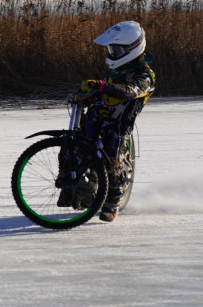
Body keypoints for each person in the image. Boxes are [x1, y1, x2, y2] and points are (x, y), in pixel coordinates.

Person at [63, 20, 155, 222]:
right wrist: (88, 96)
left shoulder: (145, 75)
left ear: (132, 48)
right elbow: (103, 94)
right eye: (111, 49)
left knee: (112, 160)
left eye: (117, 49)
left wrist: (102, 86)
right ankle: (73, 185)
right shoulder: (115, 71)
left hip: (119, 123)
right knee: (71, 144)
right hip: (98, 114)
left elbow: (130, 92)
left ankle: (113, 201)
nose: (112, 54)